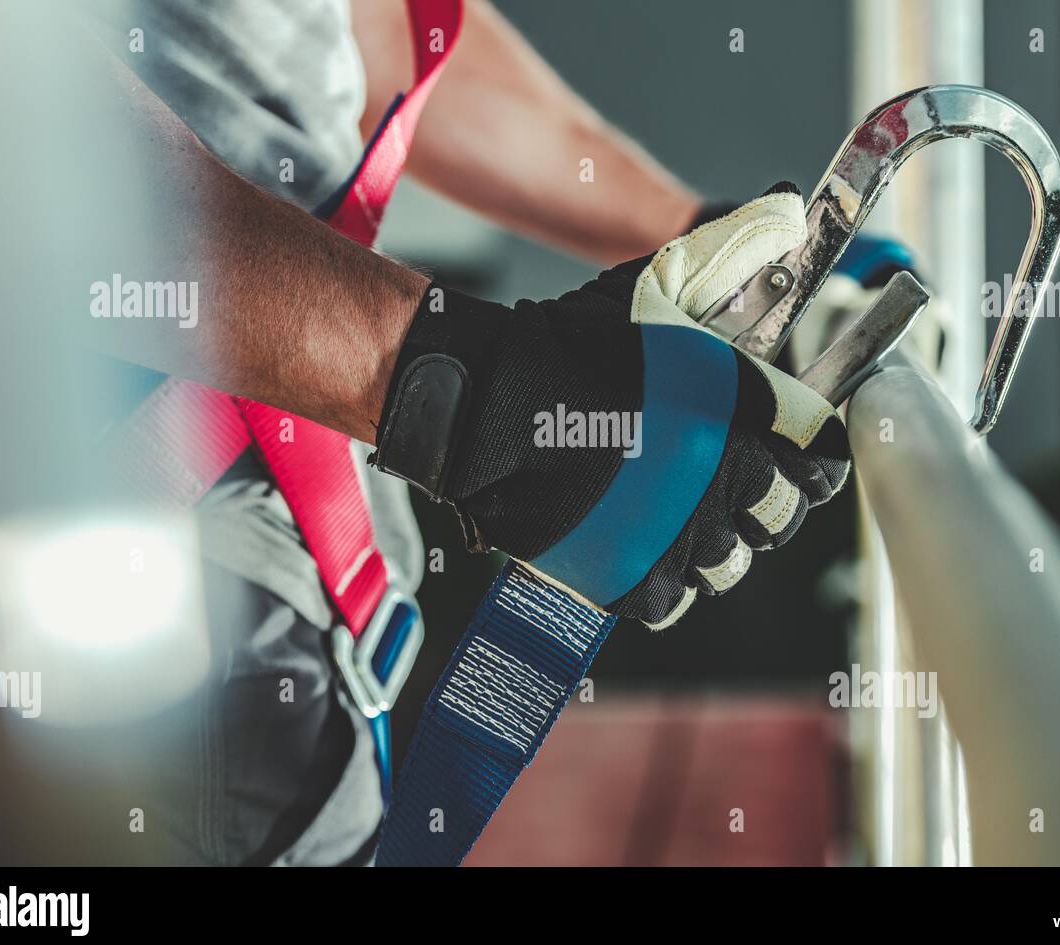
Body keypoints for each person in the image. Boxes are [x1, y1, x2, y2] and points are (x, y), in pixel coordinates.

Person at [84, 0, 849, 864]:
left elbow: (382, 26)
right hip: (132, 614)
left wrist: (699, 230)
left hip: (291, 601)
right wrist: (473, 393)